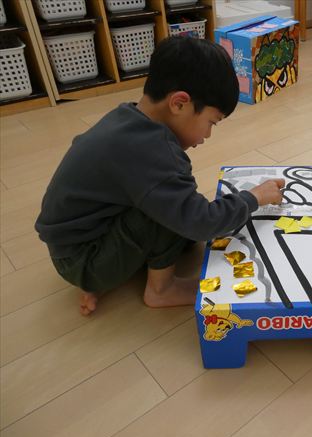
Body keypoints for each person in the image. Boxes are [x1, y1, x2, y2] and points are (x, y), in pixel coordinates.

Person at [34, 37, 284, 316]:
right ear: (179, 103)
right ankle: (161, 290)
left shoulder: (129, 118)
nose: (207, 135)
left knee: (179, 219)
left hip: (81, 243)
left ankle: (106, 276)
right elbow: (199, 222)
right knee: (178, 212)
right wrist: (253, 197)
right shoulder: (151, 153)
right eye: (210, 123)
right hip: (83, 260)